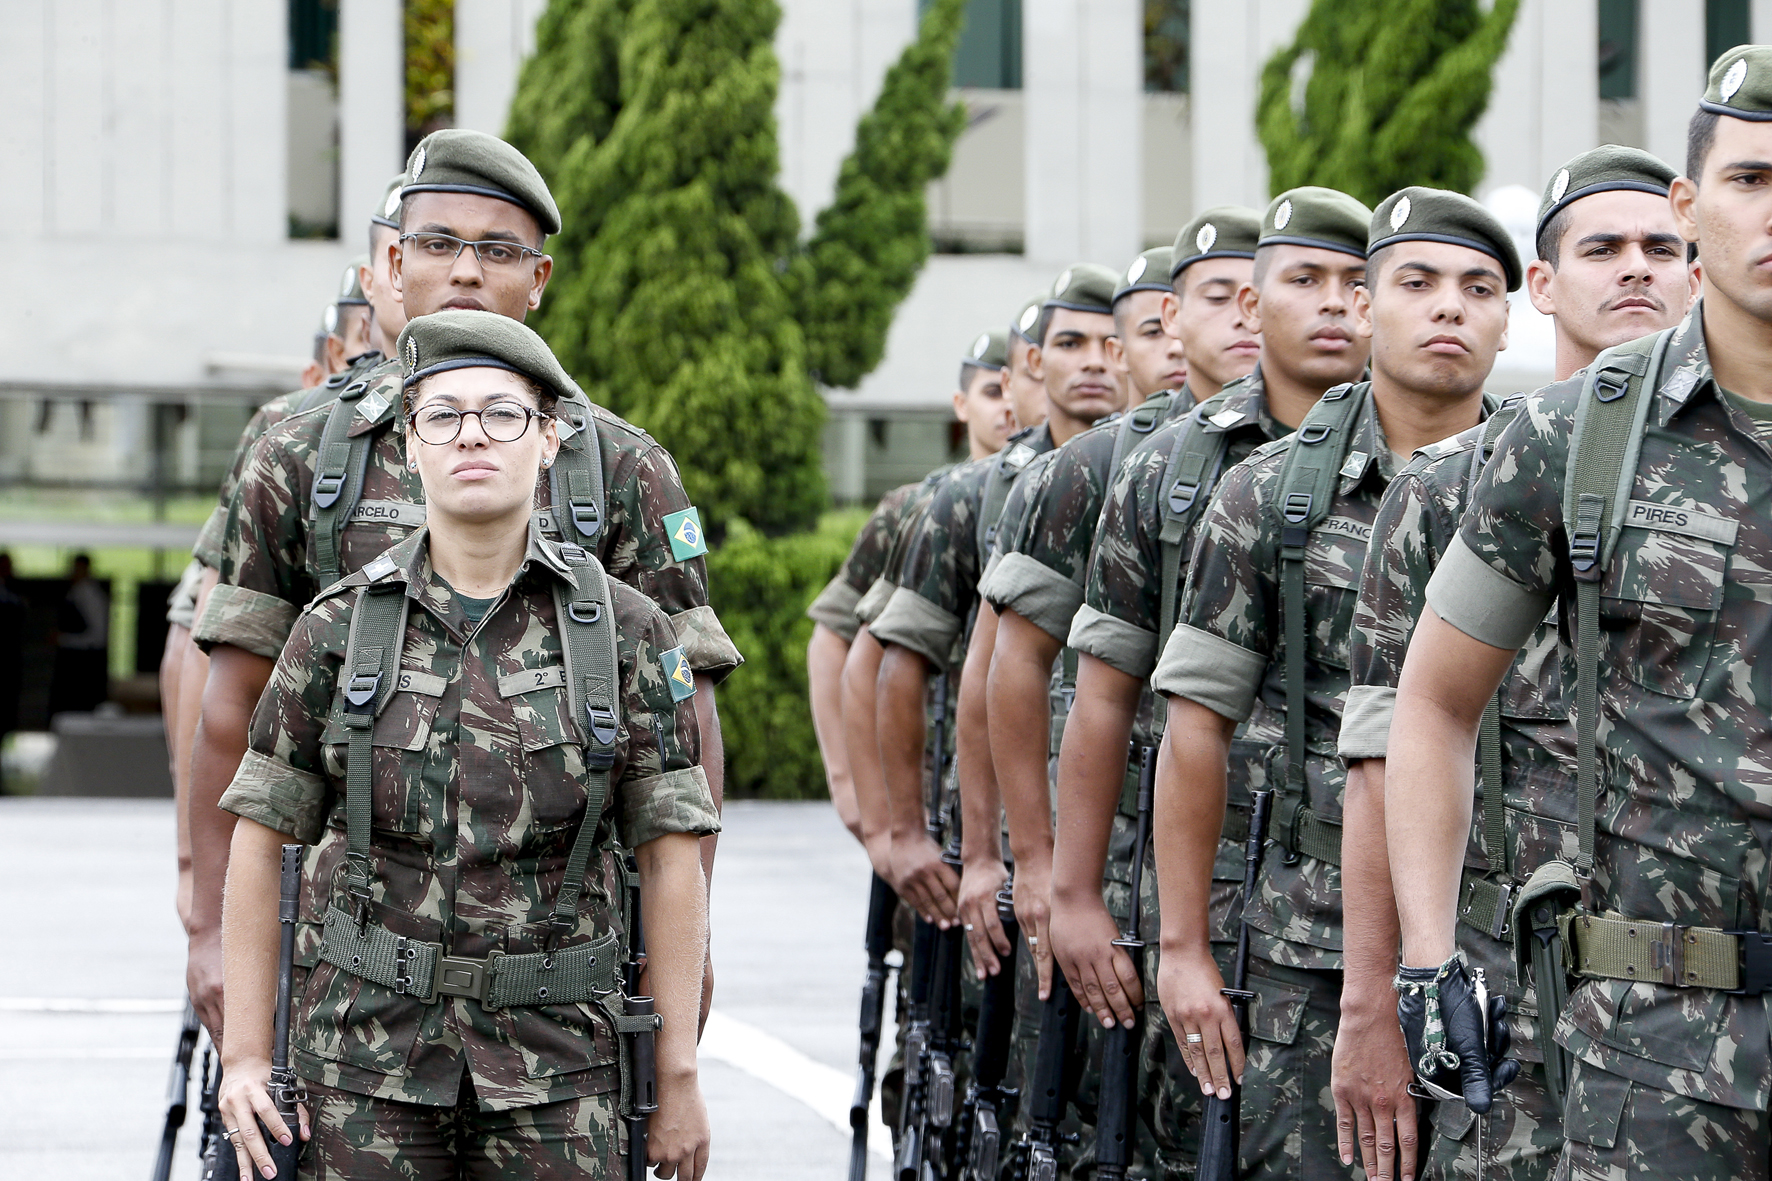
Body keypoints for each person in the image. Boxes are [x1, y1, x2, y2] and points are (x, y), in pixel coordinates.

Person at [185, 129, 740, 1044]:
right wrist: (209, 925)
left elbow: (688, 732)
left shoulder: (621, 469)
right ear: (395, 264)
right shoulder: (301, 455)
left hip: (559, 987)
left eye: (499, 250)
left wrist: (683, 941)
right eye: (439, 243)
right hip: (345, 979)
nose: (467, 270)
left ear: (540, 277)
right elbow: (232, 708)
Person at [1387, 45, 1772, 1179]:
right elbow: (1433, 703)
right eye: (1749, 179)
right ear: (1690, 207)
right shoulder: (1575, 435)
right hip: (1656, 1054)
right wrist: (1426, 962)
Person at [215, 311, 714, 1181]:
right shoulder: (335, 628)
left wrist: (677, 1076)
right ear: (410, 446)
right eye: (442, 416)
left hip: (563, 1070)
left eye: (502, 413)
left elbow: (672, 858)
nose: (472, 435)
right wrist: (247, 1055)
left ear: (549, 438)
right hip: (363, 1063)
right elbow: (261, 841)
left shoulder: (629, 634)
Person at [1332, 145, 1691, 1181]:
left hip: (1700, 1003)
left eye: (1659, 247)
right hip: (1504, 992)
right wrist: (1383, 994)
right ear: (1544, 284)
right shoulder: (1451, 486)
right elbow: (1384, 754)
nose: (1635, 268)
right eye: (1602, 248)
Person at [1147, 185, 1387, 1181]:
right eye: (1305, 279)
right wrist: (1061, 884)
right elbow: (1108, 694)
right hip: (1264, 894)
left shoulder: (1490, 469)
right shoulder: (1182, 467)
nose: (1333, 301)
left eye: (1352, 280)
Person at [806, 328, 1013, 852]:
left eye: (1016, 388)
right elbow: (832, 640)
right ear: (961, 405)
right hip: (926, 803)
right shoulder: (914, 508)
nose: (1008, 407)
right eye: (992, 392)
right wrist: (847, 787)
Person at [48, 553, 109, 718]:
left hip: (83, 666)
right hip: (73, 664)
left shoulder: (90, 594)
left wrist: (64, 639)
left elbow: (98, 637)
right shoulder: (75, 591)